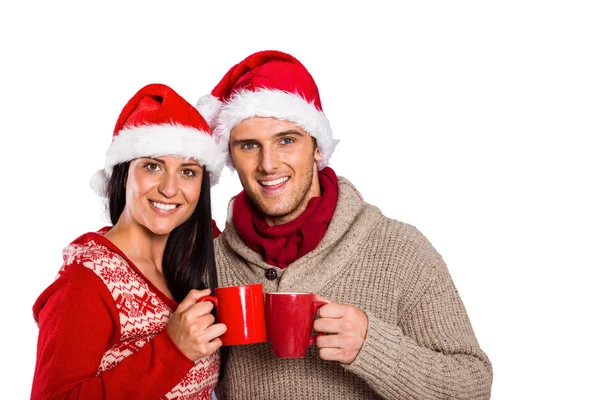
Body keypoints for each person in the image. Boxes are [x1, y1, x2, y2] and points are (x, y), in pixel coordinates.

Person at [196, 50, 493, 399]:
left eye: (286, 140)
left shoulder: (399, 249)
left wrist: (374, 347)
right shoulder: (207, 263)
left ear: (318, 147)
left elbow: (472, 387)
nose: (268, 163)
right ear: (231, 156)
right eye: (249, 146)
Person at [31, 83, 228, 399]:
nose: (169, 188)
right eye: (152, 166)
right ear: (123, 175)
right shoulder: (87, 281)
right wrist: (173, 351)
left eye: (188, 172)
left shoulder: (196, 255)